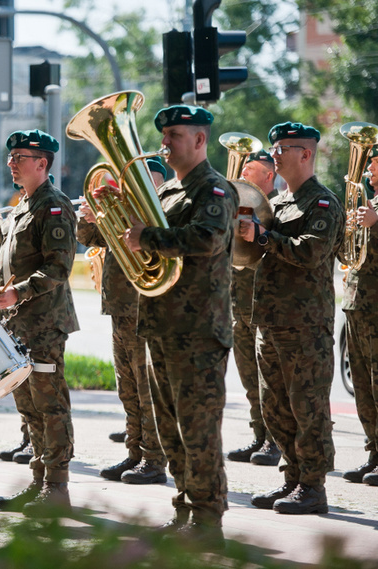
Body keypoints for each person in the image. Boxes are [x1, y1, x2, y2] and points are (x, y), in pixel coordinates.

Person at [119, 105, 237, 549]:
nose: (165, 143)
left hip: (198, 330)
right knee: (169, 429)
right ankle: (186, 508)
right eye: (164, 135)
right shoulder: (168, 192)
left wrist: (146, 237)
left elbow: (206, 240)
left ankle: (209, 523)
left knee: (198, 429)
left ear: (200, 141)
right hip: (162, 325)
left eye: (175, 136)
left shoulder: (215, 190)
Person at [0, 129, 78, 517]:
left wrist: (18, 292)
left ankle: (57, 487)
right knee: (29, 408)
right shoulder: (23, 205)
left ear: (42, 163)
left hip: (45, 325)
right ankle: (39, 483)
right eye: (11, 156)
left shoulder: (54, 205)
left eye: (20, 157)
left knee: (50, 405)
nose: (11, 163)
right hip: (17, 326)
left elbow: (59, 267)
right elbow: (8, 265)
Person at [240, 122, 343, 514]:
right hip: (270, 320)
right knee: (276, 407)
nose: (275, 154)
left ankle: (314, 488)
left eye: (284, 148)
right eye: (275, 147)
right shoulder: (278, 203)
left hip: (305, 326)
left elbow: (310, 253)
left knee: (308, 408)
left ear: (306, 154)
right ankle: (293, 479)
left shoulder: (322, 203)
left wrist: (263, 237)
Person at [77, 157, 168, 486]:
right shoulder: (124, 218)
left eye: (151, 183)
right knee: (127, 388)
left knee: (147, 391)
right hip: (120, 311)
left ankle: (155, 459)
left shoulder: (161, 219)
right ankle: (135, 452)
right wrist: (88, 217)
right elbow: (91, 238)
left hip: (146, 312)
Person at [227, 149, 282, 467]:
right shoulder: (238, 203)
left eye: (251, 168)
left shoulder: (277, 209)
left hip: (264, 304)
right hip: (238, 304)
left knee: (268, 380)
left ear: (269, 175)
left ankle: (275, 441)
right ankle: (259, 436)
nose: (243, 173)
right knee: (249, 378)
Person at [339, 146, 378, 485]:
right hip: (356, 303)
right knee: (363, 385)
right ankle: (374, 452)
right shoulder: (368, 204)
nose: (368, 172)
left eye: (375, 165)